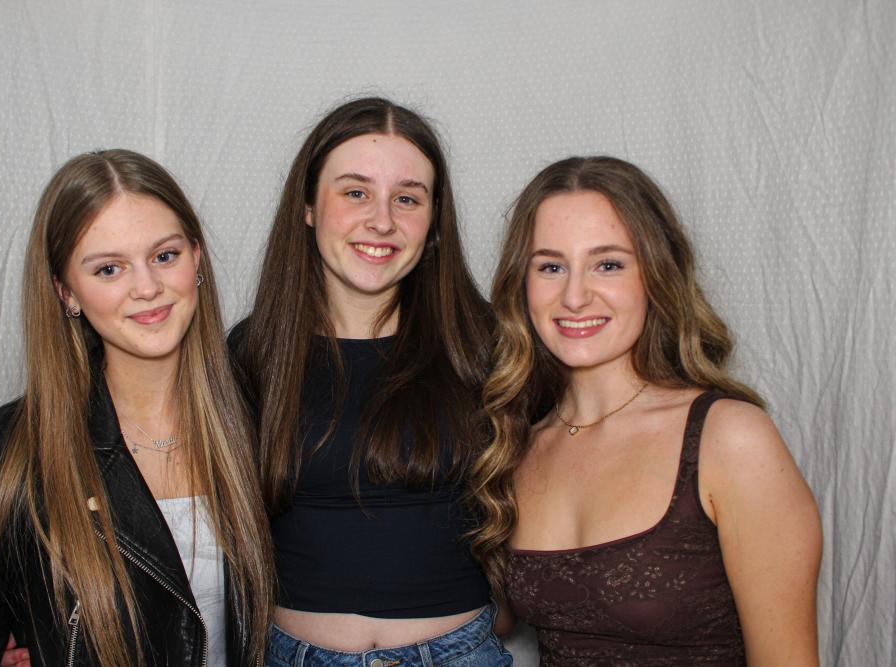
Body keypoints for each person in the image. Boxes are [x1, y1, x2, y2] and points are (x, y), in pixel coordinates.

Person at [0, 149, 274, 667]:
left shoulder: (258, 420)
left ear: (196, 258)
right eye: (109, 269)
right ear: (67, 292)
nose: (147, 287)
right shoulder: (6, 453)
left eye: (165, 256)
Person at [470, 156, 822, 665]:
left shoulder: (729, 438)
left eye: (608, 264)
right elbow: (492, 618)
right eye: (550, 267)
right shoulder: (517, 444)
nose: (574, 296)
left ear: (656, 275)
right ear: (521, 286)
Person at [229, 97, 512, 666]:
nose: (382, 221)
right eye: (355, 192)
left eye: (407, 198)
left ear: (434, 220)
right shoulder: (255, 350)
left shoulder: (486, 345)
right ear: (309, 207)